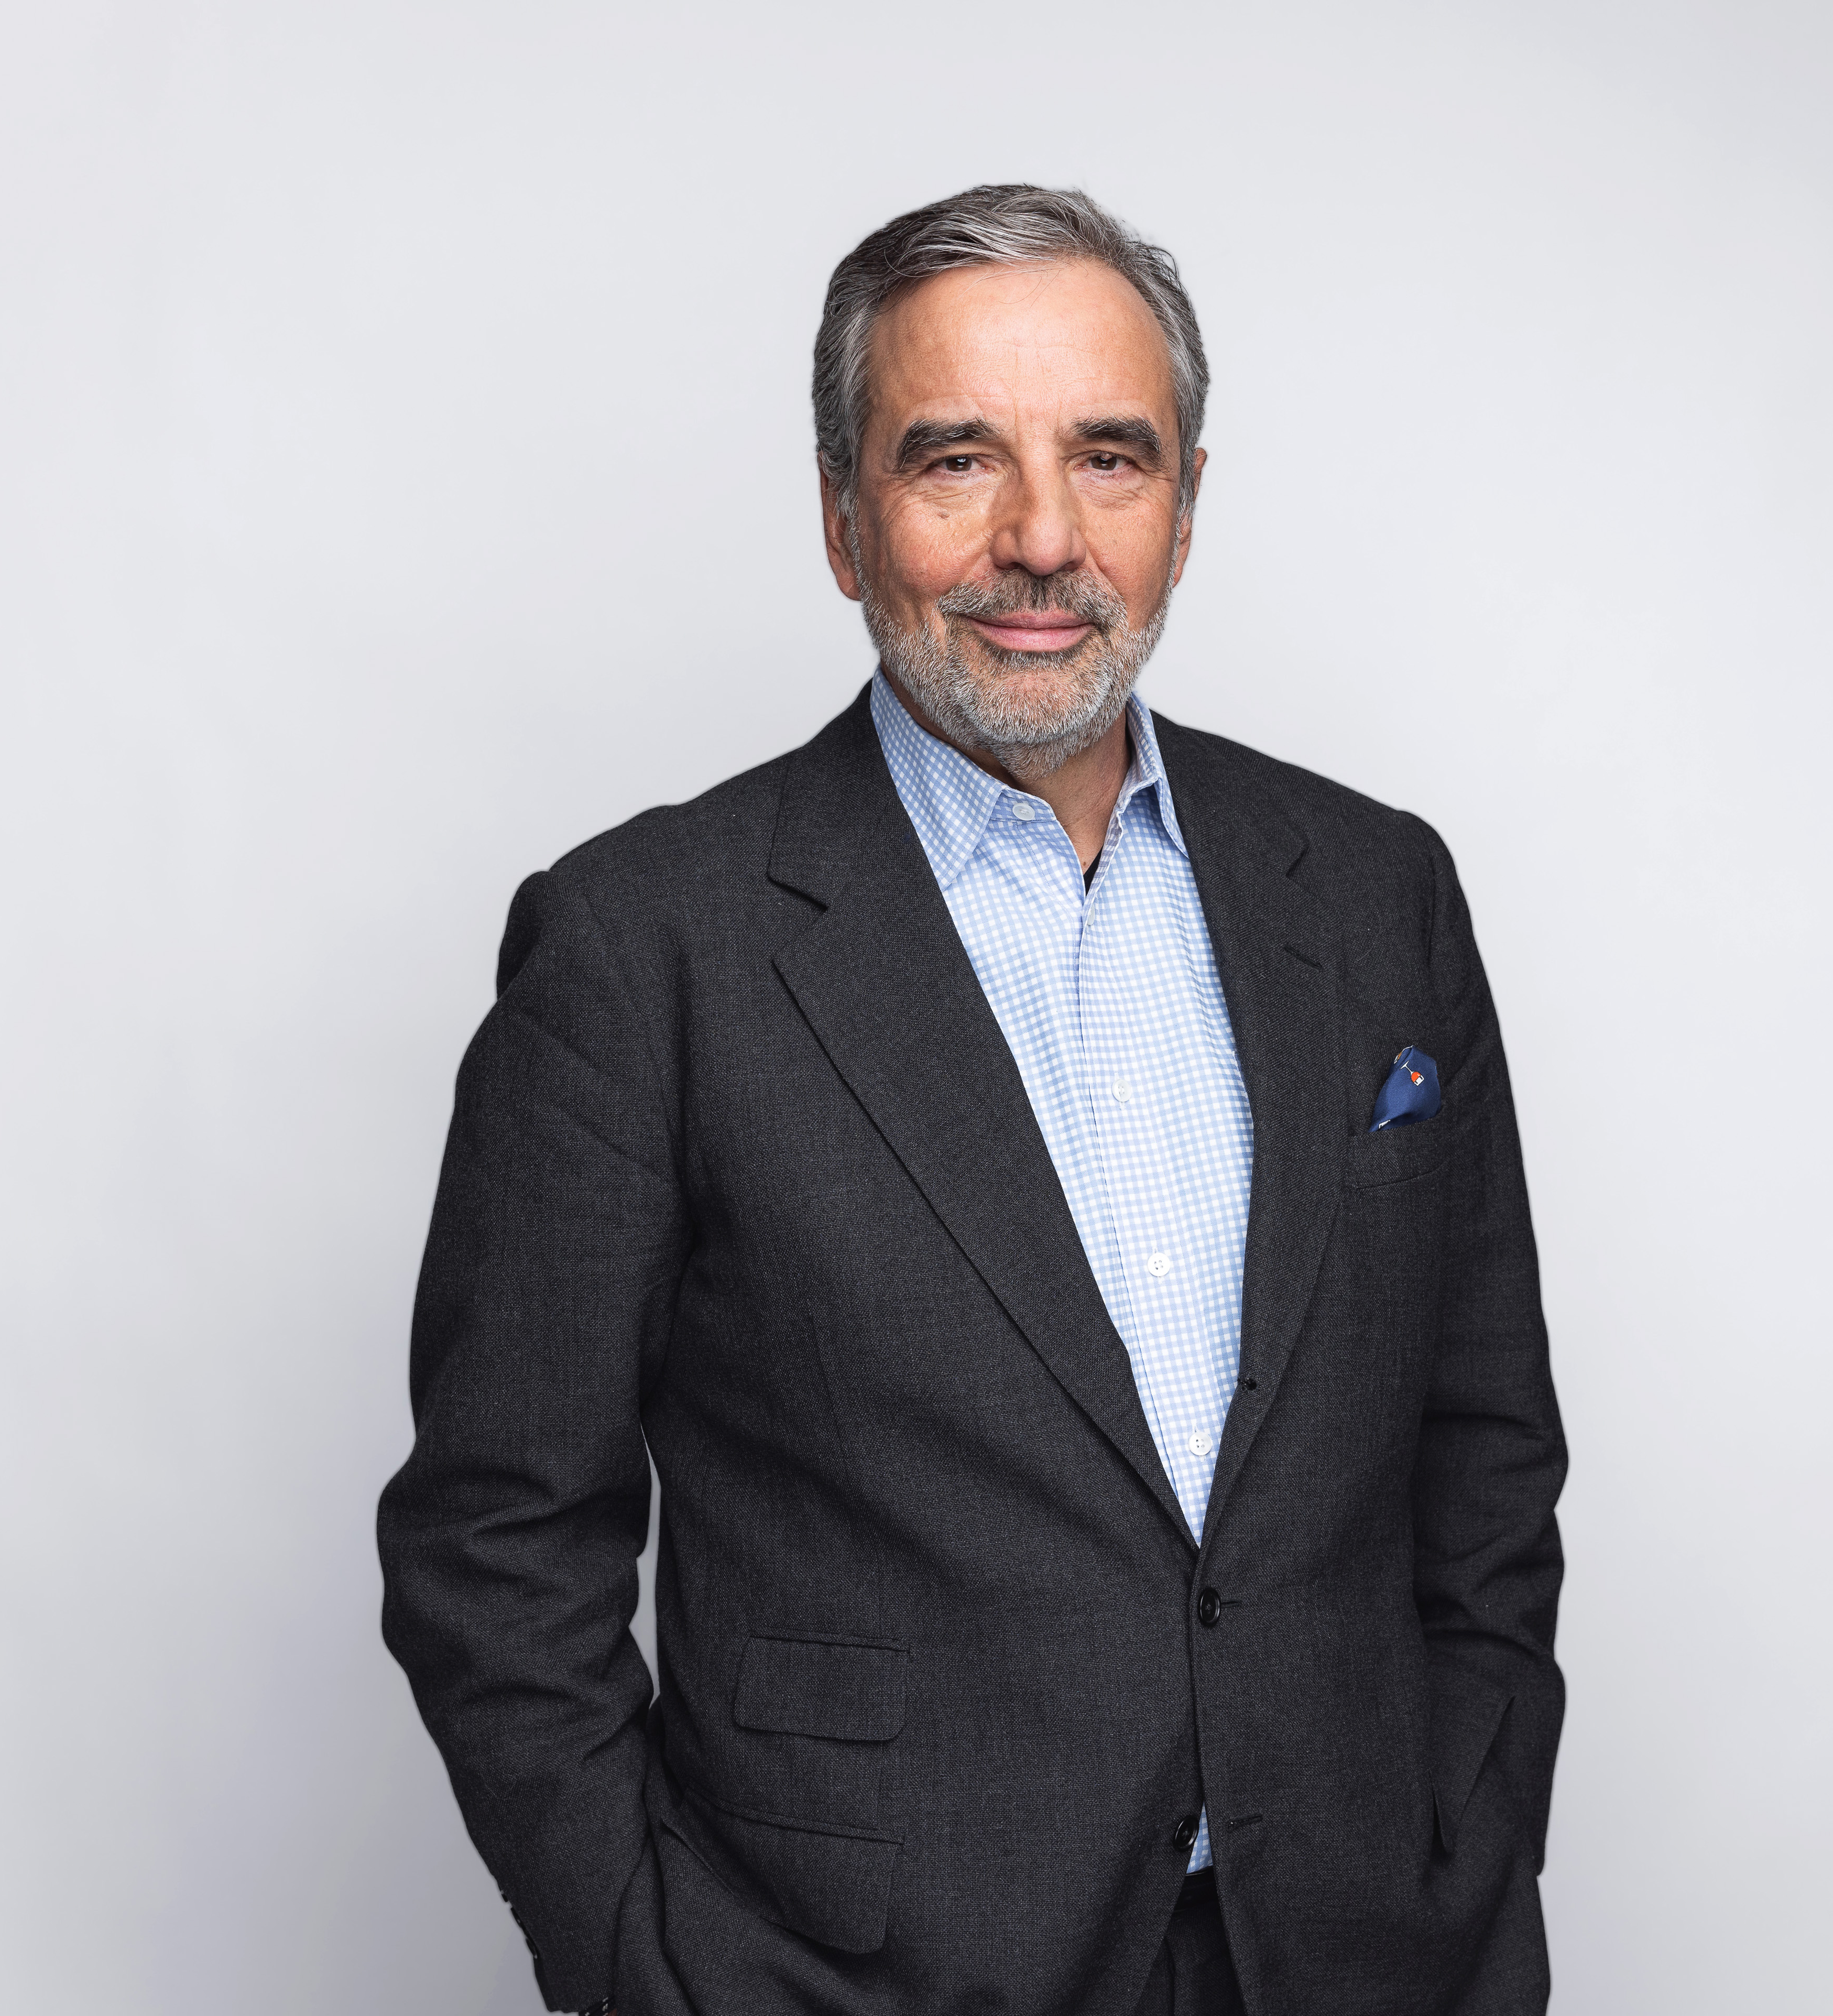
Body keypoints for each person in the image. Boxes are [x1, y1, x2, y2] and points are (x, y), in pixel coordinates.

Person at [378, 184, 1567, 2016]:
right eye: (955, 461)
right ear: (843, 520)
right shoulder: (645, 949)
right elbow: (495, 1542)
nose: (1042, 539)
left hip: (1360, 1956)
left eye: (1110, 457)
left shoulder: (1374, 890)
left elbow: (1483, 1458)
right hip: (868, 1977)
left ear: (1184, 505)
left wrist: (1464, 1855)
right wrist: (655, 1969)